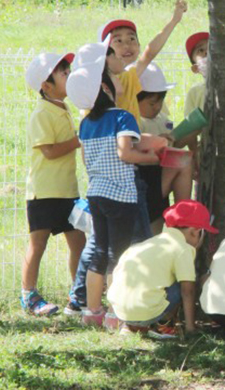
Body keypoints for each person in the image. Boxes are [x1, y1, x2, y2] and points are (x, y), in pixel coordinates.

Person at [66, 42, 160, 327]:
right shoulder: (122, 117)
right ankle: (114, 313)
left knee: (99, 252)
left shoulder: (86, 125)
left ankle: (91, 311)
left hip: (96, 194)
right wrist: (153, 157)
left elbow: (86, 160)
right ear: (105, 89)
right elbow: (125, 153)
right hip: (121, 195)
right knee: (117, 256)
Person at [20, 52, 86, 315]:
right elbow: (48, 151)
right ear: (46, 86)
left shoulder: (63, 107)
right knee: (38, 245)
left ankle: (78, 293)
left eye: (69, 71)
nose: (69, 76)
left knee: (78, 242)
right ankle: (28, 295)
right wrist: (79, 138)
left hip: (67, 190)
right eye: (63, 73)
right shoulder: (42, 113)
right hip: (44, 192)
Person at [107, 200, 217, 339]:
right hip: (147, 312)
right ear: (194, 232)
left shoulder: (143, 245)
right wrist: (190, 327)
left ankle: (130, 326)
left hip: (121, 312)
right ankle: (163, 326)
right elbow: (187, 291)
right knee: (184, 283)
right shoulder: (183, 249)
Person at [99, 0, 188, 125]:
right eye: (118, 41)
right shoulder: (98, 82)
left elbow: (149, 53)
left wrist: (174, 21)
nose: (127, 45)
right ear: (105, 52)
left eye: (131, 38)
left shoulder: (128, 77)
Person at [137, 62, 193, 234]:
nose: (157, 107)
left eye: (160, 101)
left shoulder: (162, 118)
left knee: (156, 227)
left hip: (159, 174)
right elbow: (133, 150)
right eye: (152, 103)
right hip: (144, 177)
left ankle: (182, 219)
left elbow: (173, 144)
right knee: (149, 231)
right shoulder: (135, 121)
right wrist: (157, 143)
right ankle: (182, 221)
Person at [182, 32, 209, 181]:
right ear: (195, 68)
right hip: (206, 151)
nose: (207, 52)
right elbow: (190, 127)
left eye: (211, 48)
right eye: (200, 51)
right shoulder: (195, 92)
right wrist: (195, 156)